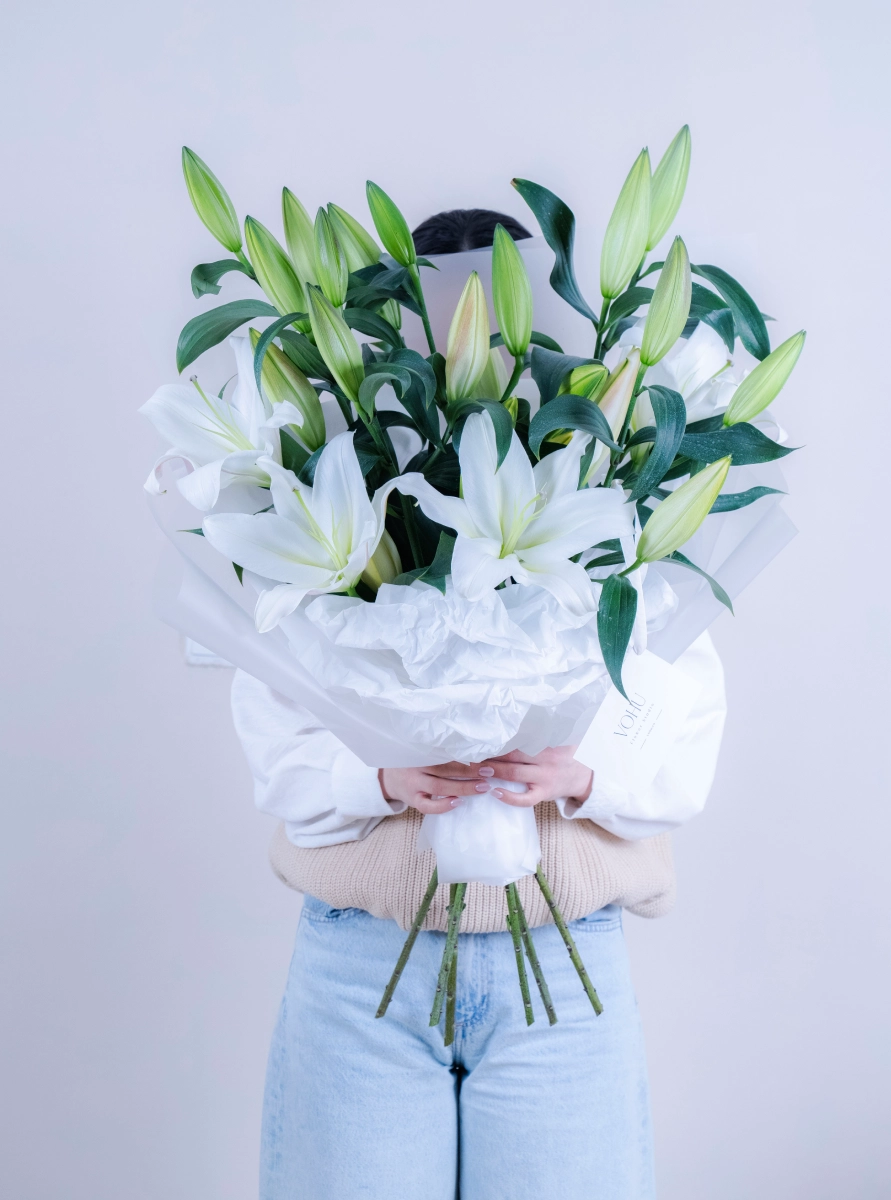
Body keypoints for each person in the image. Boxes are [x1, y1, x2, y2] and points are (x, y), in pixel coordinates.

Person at [233, 210, 727, 1200]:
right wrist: (376, 777)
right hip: (362, 968)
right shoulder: (342, 480)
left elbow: (682, 728)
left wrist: (587, 778)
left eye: (496, 319)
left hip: (562, 965)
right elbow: (274, 728)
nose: (474, 347)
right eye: (445, 319)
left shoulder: (614, 500)